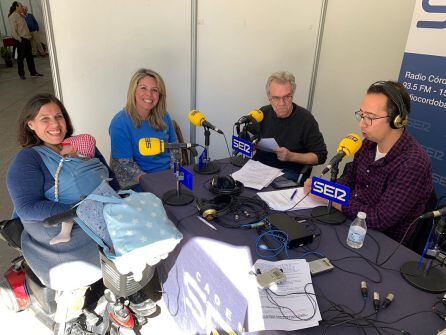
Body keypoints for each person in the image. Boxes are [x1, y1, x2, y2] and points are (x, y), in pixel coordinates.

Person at [6, 94, 119, 332]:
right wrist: (78, 212)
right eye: (44, 118)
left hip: (100, 217)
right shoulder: (27, 160)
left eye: (58, 116)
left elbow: (108, 177)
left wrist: (119, 201)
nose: (55, 124)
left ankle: (119, 293)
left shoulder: (82, 146)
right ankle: (66, 320)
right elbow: (27, 206)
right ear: (31, 124)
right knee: (75, 281)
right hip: (63, 230)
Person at [304, 80, 433, 242]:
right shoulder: (367, 144)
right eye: (361, 115)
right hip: (350, 223)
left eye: (370, 117)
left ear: (397, 120)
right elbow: (350, 181)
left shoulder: (413, 162)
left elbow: (379, 218)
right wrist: (324, 188)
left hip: (383, 244)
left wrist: (332, 198)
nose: (361, 124)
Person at [252, 71, 327, 181]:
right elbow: (251, 141)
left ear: (292, 95)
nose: (282, 103)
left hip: (289, 172)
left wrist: (291, 156)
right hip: (259, 168)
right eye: (276, 98)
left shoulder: (306, 119)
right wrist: (251, 145)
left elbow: (320, 156)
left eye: (287, 97)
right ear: (269, 97)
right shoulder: (262, 113)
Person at [109, 68, 177, 189]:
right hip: (140, 181)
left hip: (168, 175)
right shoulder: (120, 123)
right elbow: (125, 165)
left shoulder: (164, 116)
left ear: (159, 95)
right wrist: (153, 183)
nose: (149, 95)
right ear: (134, 91)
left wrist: (173, 176)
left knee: (199, 190)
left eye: (154, 90)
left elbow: (175, 148)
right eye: (143, 88)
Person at [50, 134, 97, 245]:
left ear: (73, 148)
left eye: (63, 147)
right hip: (92, 194)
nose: (60, 150)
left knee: (68, 208)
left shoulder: (72, 161)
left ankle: (64, 233)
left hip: (79, 196)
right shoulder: (88, 160)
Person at [8, 1, 43, 79]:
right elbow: (13, 31)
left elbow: (25, 22)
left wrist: (28, 36)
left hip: (27, 39)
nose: (22, 7)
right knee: (20, 58)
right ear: (16, 7)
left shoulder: (21, 15)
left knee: (29, 57)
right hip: (21, 40)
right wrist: (19, 39)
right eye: (20, 6)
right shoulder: (13, 17)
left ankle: (33, 72)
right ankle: (21, 74)